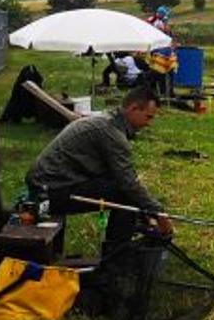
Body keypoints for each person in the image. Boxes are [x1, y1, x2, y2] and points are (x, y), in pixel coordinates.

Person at [25, 87, 173, 254]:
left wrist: (148, 209)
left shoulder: (109, 121)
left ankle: (133, 233)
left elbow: (118, 175)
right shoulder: (112, 133)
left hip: (50, 183)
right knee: (126, 196)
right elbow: (128, 183)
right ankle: (115, 258)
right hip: (50, 192)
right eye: (148, 116)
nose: (149, 123)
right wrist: (159, 213)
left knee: (128, 193)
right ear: (133, 109)